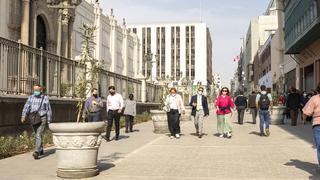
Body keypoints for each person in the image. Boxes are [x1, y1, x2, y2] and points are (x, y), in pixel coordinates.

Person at [21, 84, 52, 159]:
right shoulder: (31, 98)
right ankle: (41, 149)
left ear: (41, 90)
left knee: (38, 134)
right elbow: (26, 107)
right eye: (35, 90)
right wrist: (23, 115)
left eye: (37, 90)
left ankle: (36, 152)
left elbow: (48, 109)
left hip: (42, 118)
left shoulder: (45, 98)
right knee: (37, 134)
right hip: (33, 118)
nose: (36, 92)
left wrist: (49, 120)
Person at [302, 84, 320, 169]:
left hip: (317, 125)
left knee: (319, 146)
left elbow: (306, 111)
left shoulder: (314, 98)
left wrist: (304, 120)